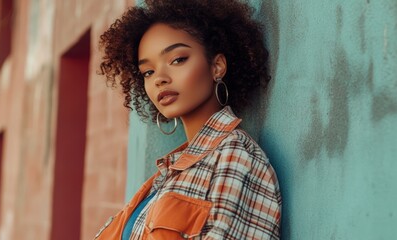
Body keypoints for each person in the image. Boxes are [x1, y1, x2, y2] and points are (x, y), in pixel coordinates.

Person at [95, 0, 281, 239]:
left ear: (217, 66)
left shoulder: (233, 156)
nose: (159, 78)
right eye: (148, 72)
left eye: (178, 59)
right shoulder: (166, 175)